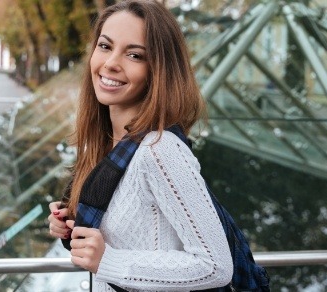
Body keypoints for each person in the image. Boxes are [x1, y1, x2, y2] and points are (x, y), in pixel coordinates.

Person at [48, 1, 233, 291]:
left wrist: (109, 261)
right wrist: (69, 221)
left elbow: (216, 266)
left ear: (158, 71)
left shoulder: (159, 150)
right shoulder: (105, 145)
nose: (111, 63)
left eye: (134, 55)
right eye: (105, 46)